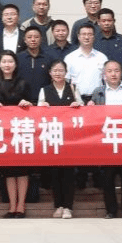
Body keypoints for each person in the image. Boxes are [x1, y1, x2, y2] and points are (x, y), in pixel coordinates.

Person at [90, 60, 122, 219]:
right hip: (106, 139)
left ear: (121, 73)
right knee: (108, 178)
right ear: (104, 74)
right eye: (110, 71)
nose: (113, 74)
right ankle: (110, 210)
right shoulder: (98, 92)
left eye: (116, 70)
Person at [0, 51, 33, 218]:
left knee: (22, 169)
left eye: (10, 61)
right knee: (8, 170)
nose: (7, 64)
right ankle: (12, 206)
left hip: (21, 130)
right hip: (2, 132)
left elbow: (33, 104)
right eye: (4, 61)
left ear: (15, 64)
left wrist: (27, 104)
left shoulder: (23, 82)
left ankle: (21, 206)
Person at [37, 59, 82, 218]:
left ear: (66, 72)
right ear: (50, 73)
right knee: (55, 173)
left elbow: (82, 109)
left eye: (61, 70)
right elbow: (38, 112)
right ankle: (58, 206)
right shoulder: (44, 90)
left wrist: (77, 106)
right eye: (55, 70)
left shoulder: (73, 88)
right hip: (53, 137)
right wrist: (42, 107)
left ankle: (68, 207)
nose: (58, 73)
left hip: (70, 137)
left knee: (69, 173)